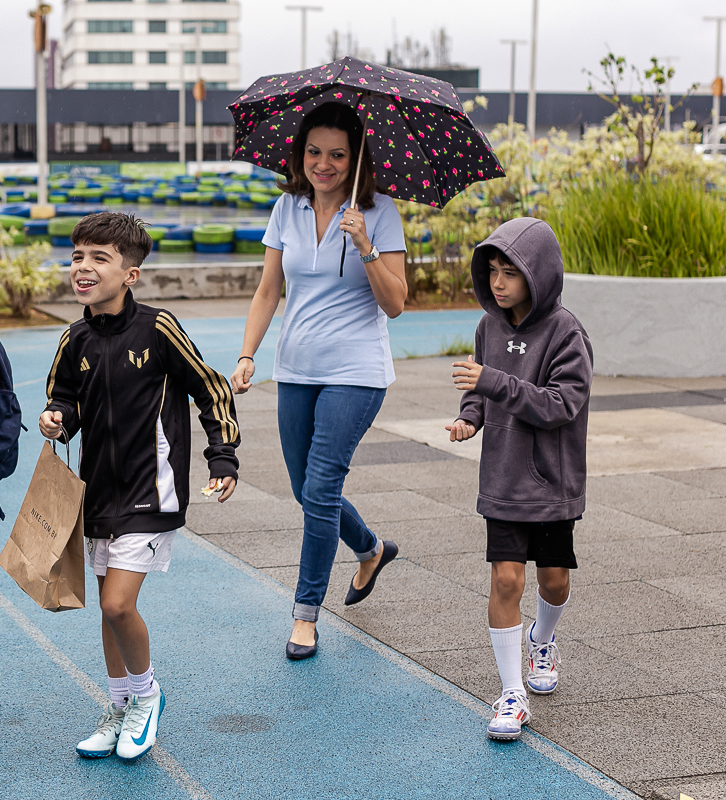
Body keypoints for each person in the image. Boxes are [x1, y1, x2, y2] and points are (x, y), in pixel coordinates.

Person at [40, 213, 241, 762]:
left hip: (151, 490)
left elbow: (210, 388)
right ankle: (119, 705)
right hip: (97, 492)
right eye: (78, 255)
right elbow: (64, 397)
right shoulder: (73, 336)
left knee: (118, 603)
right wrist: (57, 417)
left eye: (100, 258)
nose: (84, 267)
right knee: (107, 608)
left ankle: (147, 696)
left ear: (130, 274)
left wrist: (221, 455)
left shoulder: (157, 328)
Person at [230, 102, 407, 660]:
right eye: (314, 152)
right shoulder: (287, 206)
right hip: (296, 367)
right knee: (308, 490)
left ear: (355, 159)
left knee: (322, 487)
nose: (324, 164)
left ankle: (304, 614)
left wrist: (366, 246)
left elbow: (396, 303)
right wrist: (246, 355)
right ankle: (370, 548)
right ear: (299, 154)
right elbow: (267, 290)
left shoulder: (378, 214)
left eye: (337, 155)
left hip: (356, 371)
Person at [446, 217, 593, 742]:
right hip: (503, 480)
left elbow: (562, 404)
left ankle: (543, 638)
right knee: (506, 579)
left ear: (540, 274)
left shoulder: (566, 332)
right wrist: (470, 415)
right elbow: (483, 391)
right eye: (492, 271)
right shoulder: (489, 327)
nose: (498, 283)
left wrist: (494, 383)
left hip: (553, 484)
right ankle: (512, 693)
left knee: (554, 582)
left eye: (511, 272)